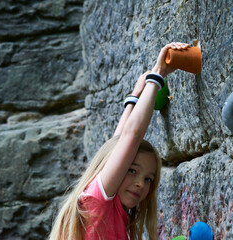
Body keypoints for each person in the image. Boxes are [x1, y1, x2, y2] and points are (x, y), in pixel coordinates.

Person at [49, 42, 190, 240]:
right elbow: (131, 136)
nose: (141, 184)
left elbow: (118, 142)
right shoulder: (97, 202)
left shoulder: (107, 205)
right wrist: (157, 75)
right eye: (132, 170)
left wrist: (134, 97)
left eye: (148, 179)